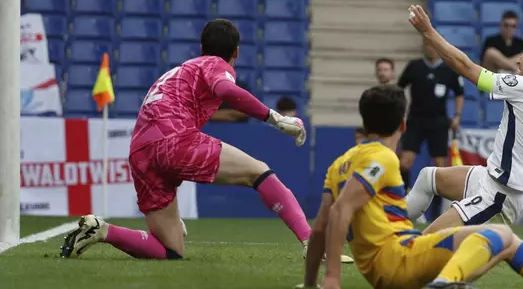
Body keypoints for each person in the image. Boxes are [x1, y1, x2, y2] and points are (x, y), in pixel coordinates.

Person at [60, 19, 353, 264]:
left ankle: (102, 230)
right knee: (260, 172)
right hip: (174, 139)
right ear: (235, 52)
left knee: (170, 251)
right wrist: (275, 118)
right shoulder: (214, 64)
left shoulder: (178, 70)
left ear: (200, 47)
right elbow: (226, 88)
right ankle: (313, 244)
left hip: (141, 153)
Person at [300, 84, 523, 289]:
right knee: (499, 237)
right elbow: (343, 210)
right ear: (403, 124)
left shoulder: (339, 164)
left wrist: (313, 280)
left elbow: (319, 229)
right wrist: (332, 279)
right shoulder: (385, 159)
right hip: (395, 262)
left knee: (504, 245)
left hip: (391, 260)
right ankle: (446, 283)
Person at [404, 5, 523, 234]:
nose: (519, 61)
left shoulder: (521, 87)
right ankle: (390, 233)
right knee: (429, 177)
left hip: (498, 196)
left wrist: (428, 31)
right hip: (490, 180)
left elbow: (465, 67)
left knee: (425, 244)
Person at [397, 43, 464, 216]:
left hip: (438, 122)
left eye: (434, 46)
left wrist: (457, 115)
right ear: (424, 47)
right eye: (428, 45)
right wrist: (400, 112)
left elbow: (459, 92)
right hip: (415, 121)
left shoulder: (448, 70)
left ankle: (435, 214)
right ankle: (401, 200)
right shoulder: (414, 66)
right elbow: (399, 88)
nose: (431, 49)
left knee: (440, 168)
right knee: (404, 162)